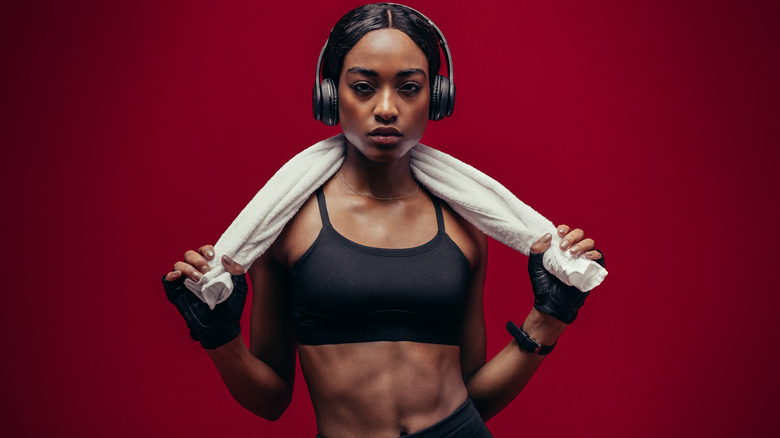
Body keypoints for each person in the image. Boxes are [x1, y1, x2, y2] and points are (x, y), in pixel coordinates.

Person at [162, 3, 605, 437]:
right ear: (331, 95)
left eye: (409, 87)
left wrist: (549, 318)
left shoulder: (466, 223)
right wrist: (219, 337)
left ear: (437, 95)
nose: (387, 108)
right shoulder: (284, 224)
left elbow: (476, 397)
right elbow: (271, 400)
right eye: (364, 87)